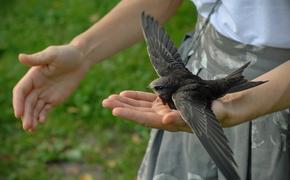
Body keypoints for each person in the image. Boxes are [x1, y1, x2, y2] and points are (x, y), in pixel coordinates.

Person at [13, 0, 290, 179]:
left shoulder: (181, 96)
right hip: (205, 60)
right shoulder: (171, 80)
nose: (158, 92)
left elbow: (205, 120)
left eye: (159, 89)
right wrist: (82, 51)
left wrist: (239, 103)